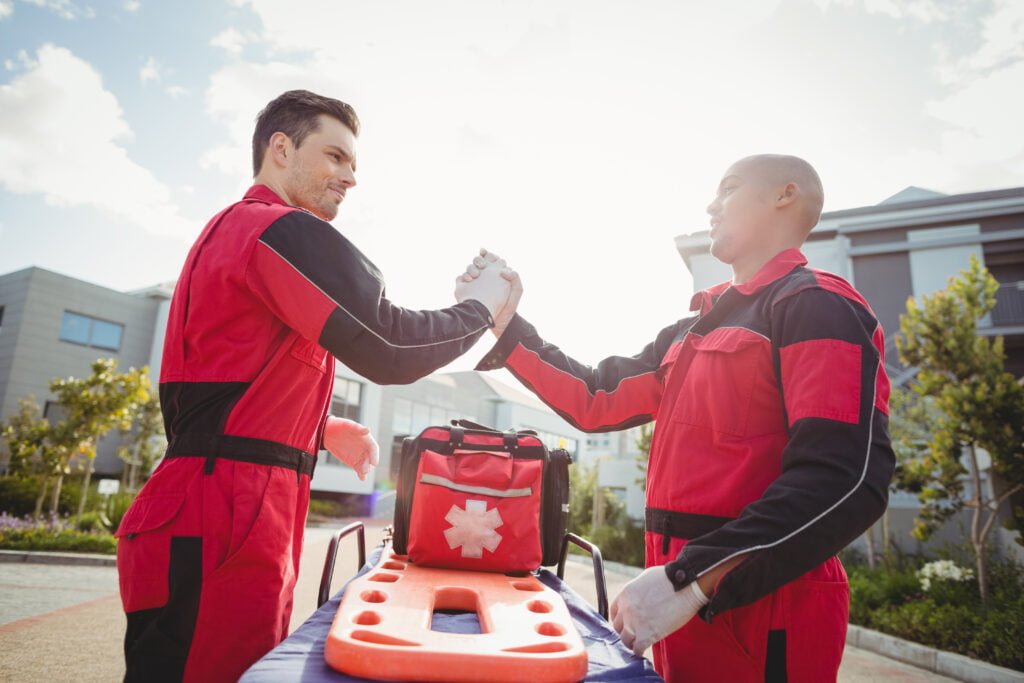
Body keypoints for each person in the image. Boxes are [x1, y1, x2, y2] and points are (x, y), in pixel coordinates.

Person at [115, 89, 514, 683]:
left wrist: (319, 428)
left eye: (353, 164)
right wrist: (480, 309)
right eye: (335, 156)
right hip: (225, 513)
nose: (350, 177)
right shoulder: (278, 230)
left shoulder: (231, 233)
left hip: (211, 503)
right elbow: (389, 343)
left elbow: (216, 379)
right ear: (281, 148)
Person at [465, 154, 895, 682]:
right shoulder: (690, 330)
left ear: (785, 195)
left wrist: (692, 581)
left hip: (762, 608)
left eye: (729, 188)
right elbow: (595, 397)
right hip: (675, 601)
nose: (711, 205)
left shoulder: (818, 305)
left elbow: (844, 480)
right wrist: (504, 322)